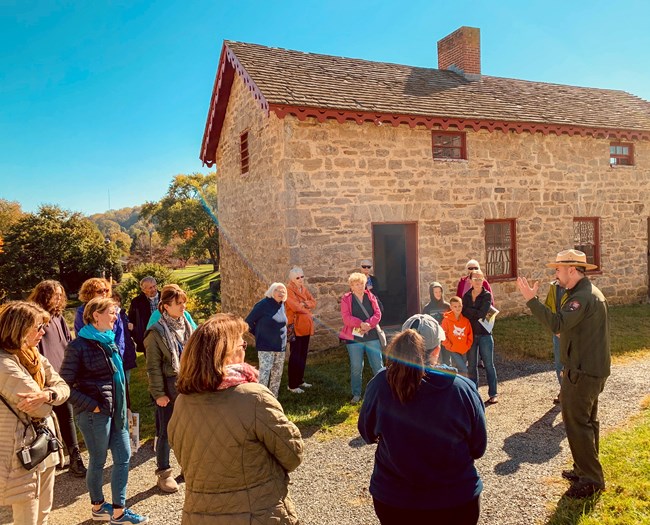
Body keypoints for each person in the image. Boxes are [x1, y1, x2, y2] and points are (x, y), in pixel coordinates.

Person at [168, 313, 303, 524]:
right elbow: (292, 454)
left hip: (199, 516)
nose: (244, 352)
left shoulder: (182, 402)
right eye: (242, 346)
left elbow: (186, 458)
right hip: (257, 514)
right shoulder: (253, 396)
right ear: (226, 353)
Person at [358, 329, 487, 525]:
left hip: (395, 501)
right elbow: (478, 447)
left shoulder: (380, 385)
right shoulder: (463, 389)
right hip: (456, 500)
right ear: (437, 351)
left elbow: (367, 434)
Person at [517, 249, 610, 499]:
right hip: (590, 368)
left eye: (558, 269)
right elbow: (569, 328)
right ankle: (585, 469)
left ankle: (591, 479)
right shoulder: (583, 293)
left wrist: (531, 300)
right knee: (588, 422)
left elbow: (558, 323)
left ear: (572, 270)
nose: (555, 274)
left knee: (578, 423)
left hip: (582, 371)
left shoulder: (581, 296)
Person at [61, 297, 148, 524]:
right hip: (94, 415)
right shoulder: (78, 346)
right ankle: (98, 506)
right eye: (111, 312)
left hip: (116, 412)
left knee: (123, 457)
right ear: (95, 315)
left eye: (116, 312)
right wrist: (94, 405)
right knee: (98, 461)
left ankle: (119, 511)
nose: (115, 316)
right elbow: (64, 386)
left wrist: (125, 406)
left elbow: (118, 380)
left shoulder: (109, 341)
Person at [0, 301, 71, 525]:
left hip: (44, 443)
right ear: (19, 328)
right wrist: (49, 398)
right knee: (27, 518)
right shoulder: (4, 364)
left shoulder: (33, 356)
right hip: (19, 451)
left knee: (44, 512)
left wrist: (48, 394)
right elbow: (41, 409)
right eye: (38, 327)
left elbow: (63, 387)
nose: (43, 332)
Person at [27, 280, 86, 477]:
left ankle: (75, 457)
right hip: (42, 376)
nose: (59, 298)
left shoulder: (59, 317)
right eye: (55, 294)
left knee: (67, 416)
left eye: (61, 294)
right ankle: (52, 455)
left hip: (62, 375)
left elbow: (67, 342)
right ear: (44, 295)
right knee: (44, 419)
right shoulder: (35, 317)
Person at [144, 284, 194, 494]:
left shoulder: (187, 326)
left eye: (183, 302)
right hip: (168, 387)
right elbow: (152, 367)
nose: (183, 306)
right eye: (179, 303)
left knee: (189, 429)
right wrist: (159, 394)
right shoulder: (156, 333)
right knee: (165, 431)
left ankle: (189, 468)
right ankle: (164, 473)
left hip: (189, 384)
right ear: (165, 306)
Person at [339, 272, 384, 404]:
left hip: (371, 335)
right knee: (356, 366)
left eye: (361, 284)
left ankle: (381, 392)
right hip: (354, 338)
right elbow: (346, 318)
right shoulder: (346, 299)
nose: (359, 286)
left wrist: (369, 324)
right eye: (356, 284)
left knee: (378, 365)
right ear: (351, 286)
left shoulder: (371, 296)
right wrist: (361, 324)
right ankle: (356, 394)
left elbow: (378, 313)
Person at [245, 282, 288, 398]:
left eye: (283, 291)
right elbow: (248, 322)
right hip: (266, 346)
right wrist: (259, 334)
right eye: (278, 290)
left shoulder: (282, 305)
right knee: (265, 373)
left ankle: (274, 398)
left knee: (277, 374)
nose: (281, 293)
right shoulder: (263, 304)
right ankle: (261, 399)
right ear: (271, 291)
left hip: (280, 346)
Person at [462, 270, 499, 404]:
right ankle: (473, 393)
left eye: (480, 279)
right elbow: (464, 312)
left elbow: (482, 313)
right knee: (471, 366)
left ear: (483, 280)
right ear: (470, 280)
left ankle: (493, 393)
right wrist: (474, 313)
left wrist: (471, 312)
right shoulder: (466, 296)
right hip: (471, 334)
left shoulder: (486, 295)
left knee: (489, 365)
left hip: (485, 335)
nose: (478, 281)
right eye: (475, 279)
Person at [74, 278, 126, 365]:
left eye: (106, 290)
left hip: (114, 354)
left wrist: (117, 354)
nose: (104, 293)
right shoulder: (82, 313)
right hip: (93, 359)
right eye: (100, 291)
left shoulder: (115, 310)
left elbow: (120, 335)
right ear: (89, 293)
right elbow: (82, 335)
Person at [285, 267, 316, 394]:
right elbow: (295, 307)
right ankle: (292, 384)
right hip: (295, 326)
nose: (301, 280)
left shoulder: (303, 289)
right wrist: (305, 304)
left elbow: (314, 302)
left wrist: (305, 304)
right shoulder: (288, 290)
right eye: (298, 278)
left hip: (306, 325)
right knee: (295, 355)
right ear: (292, 279)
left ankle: (300, 380)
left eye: (302, 277)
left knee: (303, 354)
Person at [544, 280, 567, 404]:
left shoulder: (575, 287)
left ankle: (571, 393)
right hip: (557, 331)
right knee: (559, 364)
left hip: (570, 332)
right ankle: (563, 391)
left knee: (571, 364)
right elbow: (549, 307)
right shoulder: (554, 287)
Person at [127, 276, 159, 354]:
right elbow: (131, 319)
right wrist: (136, 332)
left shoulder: (164, 298)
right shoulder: (136, 302)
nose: (154, 289)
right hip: (147, 338)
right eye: (150, 288)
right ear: (144, 290)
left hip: (165, 334)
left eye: (154, 286)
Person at [112, 291, 137, 385]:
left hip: (127, 351)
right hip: (116, 352)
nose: (116, 304)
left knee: (126, 382)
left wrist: (132, 327)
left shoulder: (123, 314)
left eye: (118, 301)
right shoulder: (111, 317)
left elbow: (129, 333)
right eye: (113, 301)